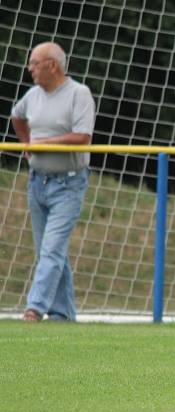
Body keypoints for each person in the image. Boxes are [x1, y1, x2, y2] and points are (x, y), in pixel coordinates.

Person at [10, 42, 95, 322]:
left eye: (35, 63)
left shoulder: (79, 94)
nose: (30, 69)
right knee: (49, 250)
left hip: (68, 185)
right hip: (37, 183)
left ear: (52, 65)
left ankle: (34, 308)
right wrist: (26, 143)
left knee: (51, 249)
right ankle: (63, 314)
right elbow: (17, 116)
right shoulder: (32, 95)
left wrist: (42, 143)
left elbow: (82, 137)